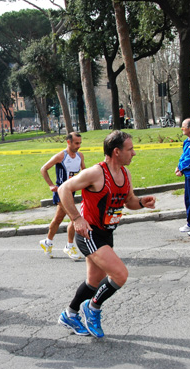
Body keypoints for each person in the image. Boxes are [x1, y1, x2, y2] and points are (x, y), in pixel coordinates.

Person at [57, 131, 156, 338]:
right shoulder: (95, 173)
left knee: (94, 282)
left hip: (106, 233)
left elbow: (128, 201)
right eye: (130, 149)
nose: (134, 153)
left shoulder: (125, 174)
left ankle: (69, 314)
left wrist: (141, 203)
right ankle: (92, 308)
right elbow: (64, 189)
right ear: (116, 151)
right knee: (120, 274)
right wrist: (76, 218)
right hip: (89, 233)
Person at [39, 132, 85, 260]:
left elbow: (84, 172)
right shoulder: (61, 156)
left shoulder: (80, 156)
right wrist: (51, 185)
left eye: (80, 143)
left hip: (71, 192)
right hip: (61, 192)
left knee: (58, 219)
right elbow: (44, 169)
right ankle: (69, 246)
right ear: (68, 142)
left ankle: (47, 242)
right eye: (76, 143)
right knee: (74, 218)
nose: (79, 146)